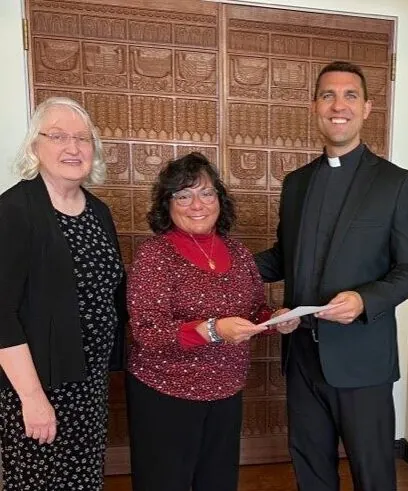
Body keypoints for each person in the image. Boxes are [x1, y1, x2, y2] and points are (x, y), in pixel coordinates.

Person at [255, 61, 408, 491]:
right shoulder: (296, 184)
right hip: (301, 357)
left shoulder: (397, 183)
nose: (339, 106)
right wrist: (222, 266)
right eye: (328, 95)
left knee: (373, 475)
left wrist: (365, 300)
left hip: (362, 359)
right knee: (311, 471)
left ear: (367, 108)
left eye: (350, 95)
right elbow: (283, 257)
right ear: (314, 106)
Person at [125, 152, 298, 491]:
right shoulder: (154, 254)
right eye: (183, 195)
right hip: (166, 393)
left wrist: (276, 320)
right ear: (167, 204)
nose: (197, 204)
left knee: (217, 481)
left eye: (206, 193)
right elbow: (147, 331)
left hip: (226, 391)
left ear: (219, 199)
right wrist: (213, 330)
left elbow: (253, 312)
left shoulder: (238, 252)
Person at [0, 97, 127, 490]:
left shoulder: (99, 212)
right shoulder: (15, 209)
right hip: (38, 387)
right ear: (35, 146)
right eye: (57, 136)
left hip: (88, 384)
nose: (73, 147)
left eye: (82, 139)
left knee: (84, 479)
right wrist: (33, 398)